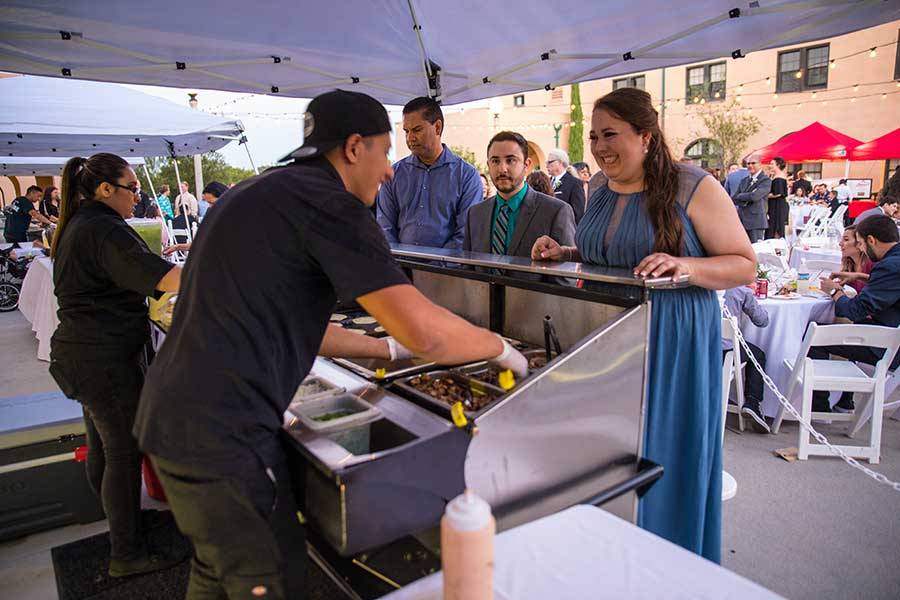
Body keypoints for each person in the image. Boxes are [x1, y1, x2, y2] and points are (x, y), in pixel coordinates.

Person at [134, 90, 526, 599]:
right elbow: (423, 329)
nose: (390, 170)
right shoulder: (330, 205)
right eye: (386, 151)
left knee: (216, 572)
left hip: (176, 415)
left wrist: (387, 352)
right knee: (269, 578)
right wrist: (495, 346)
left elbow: (301, 323)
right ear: (354, 147)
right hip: (221, 434)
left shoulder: (263, 191)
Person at [531, 87, 755, 562]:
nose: (599, 146)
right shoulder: (597, 189)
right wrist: (566, 252)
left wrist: (686, 267)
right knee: (609, 455)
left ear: (647, 136)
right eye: (593, 137)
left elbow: (744, 264)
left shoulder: (692, 185)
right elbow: (614, 257)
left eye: (611, 134)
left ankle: (663, 564)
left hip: (672, 341)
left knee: (661, 452)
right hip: (606, 338)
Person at [47, 153, 182, 578]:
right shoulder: (103, 228)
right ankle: (126, 553)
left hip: (80, 356)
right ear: (106, 189)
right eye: (132, 189)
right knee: (124, 452)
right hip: (100, 359)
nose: (136, 198)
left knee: (106, 447)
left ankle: (122, 525)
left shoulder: (79, 223)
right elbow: (165, 280)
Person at [816, 215, 900, 411]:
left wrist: (834, 291)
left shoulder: (889, 266)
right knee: (846, 333)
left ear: (872, 240)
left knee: (815, 337)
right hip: (889, 336)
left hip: (887, 346)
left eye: (861, 243)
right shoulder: (895, 260)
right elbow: (891, 287)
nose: (862, 249)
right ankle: (844, 401)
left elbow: (854, 310)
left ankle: (820, 406)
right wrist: (861, 276)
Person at [376, 96, 482, 249]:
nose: (410, 138)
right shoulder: (394, 174)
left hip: (447, 270)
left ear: (437, 128)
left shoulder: (466, 176)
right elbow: (385, 227)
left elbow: (465, 234)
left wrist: (435, 267)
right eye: (406, 131)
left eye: (417, 130)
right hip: (400, 267)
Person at [464, 131, 575, 270]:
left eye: (510, 160)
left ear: (527, 164)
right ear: (488, 164)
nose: (502, 168)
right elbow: (468, 270)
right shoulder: (475, 214)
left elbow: (565, 277)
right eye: (495, 161)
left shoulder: (556, 212)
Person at [723, 287, 770, 433]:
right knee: (758, 355)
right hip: (725, 352)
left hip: (696, 348)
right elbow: (762, 321)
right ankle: (752, 402)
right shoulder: (739, 289)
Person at [163, 181, 228, 256]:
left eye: (212, 203)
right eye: (208, 203)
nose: (210, 206)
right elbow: (201, 243)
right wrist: (177, 247)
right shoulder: (210, 212)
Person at [731, 156, 771, 242]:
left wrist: (741, 195)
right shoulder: (744, 180)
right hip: (742, 220)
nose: (750, 165)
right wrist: (745, 196)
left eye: (753, 163)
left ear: (760, 165)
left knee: (756, 249)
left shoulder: (765, 180)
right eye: (748, 163)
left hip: (756, 221)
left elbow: (755, 196)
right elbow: (734, 198)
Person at [545, 148, 586, 224]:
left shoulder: (574, 183)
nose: (547, 165)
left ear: (560, 162)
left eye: (550, 162)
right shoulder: (547, 182)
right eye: (546, 162)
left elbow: (578, 212)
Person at [830, 224, 873, 294]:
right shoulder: (849, 264)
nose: (840, 243)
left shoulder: (870, 263)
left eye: (846, 239)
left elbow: (879, 283)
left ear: (860, 243)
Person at [766, 156, 789, 239]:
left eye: (772, 164)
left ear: (778, 165)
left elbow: (778, 193)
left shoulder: (779, 177)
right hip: (776, 204)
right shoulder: (776, 176)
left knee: (776, 224)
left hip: (777, 205)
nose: (770, 165)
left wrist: (766, 196)